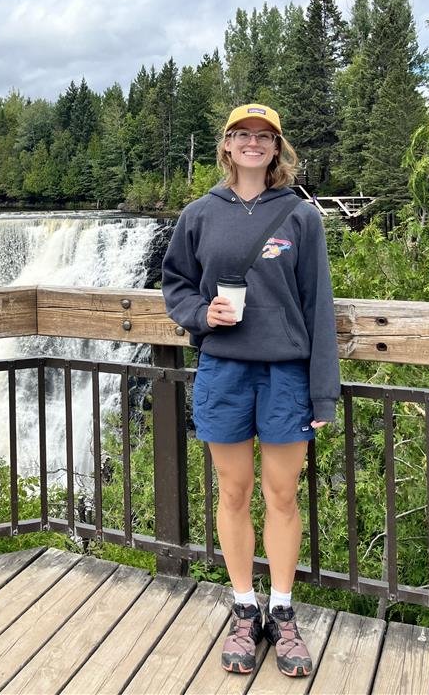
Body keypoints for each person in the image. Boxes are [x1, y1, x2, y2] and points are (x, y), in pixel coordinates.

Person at [161, 104, 340, 678]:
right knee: (233, 494)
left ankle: (282, 612)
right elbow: (176, 286)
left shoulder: (301, 217)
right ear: (227, 145)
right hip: (223, 372)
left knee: (282, 495)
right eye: (242, 134)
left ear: (278, 147)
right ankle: (243, 606)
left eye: (264, 136)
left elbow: (319, 310)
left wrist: (322, 395)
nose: (252, 143)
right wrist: (202, 314)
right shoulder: (198, 215)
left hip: (287, 374)